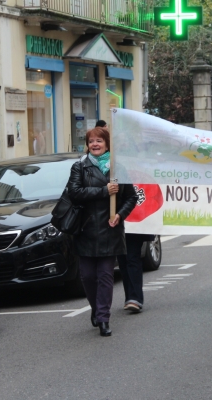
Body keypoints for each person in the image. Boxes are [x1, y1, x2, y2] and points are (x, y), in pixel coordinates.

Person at [68, 127, 137, 336]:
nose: (95, 144)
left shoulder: (118, 168)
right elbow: (74, 192)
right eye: (91, 141)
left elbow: (131, 197)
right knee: (88, 277)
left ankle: (104, 318)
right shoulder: (79, 166)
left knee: (105, 275)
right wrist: (103, 191)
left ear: (107, 144)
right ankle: (96, 309)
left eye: (99, 140)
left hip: (110, 229)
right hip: (85, 229)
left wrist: (120, 215)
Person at [117, 233, 155, 312]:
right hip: (116, 228)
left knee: (132, 257)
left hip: (131, 227)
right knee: (122, 260)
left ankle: (134, 298)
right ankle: (130, 297)